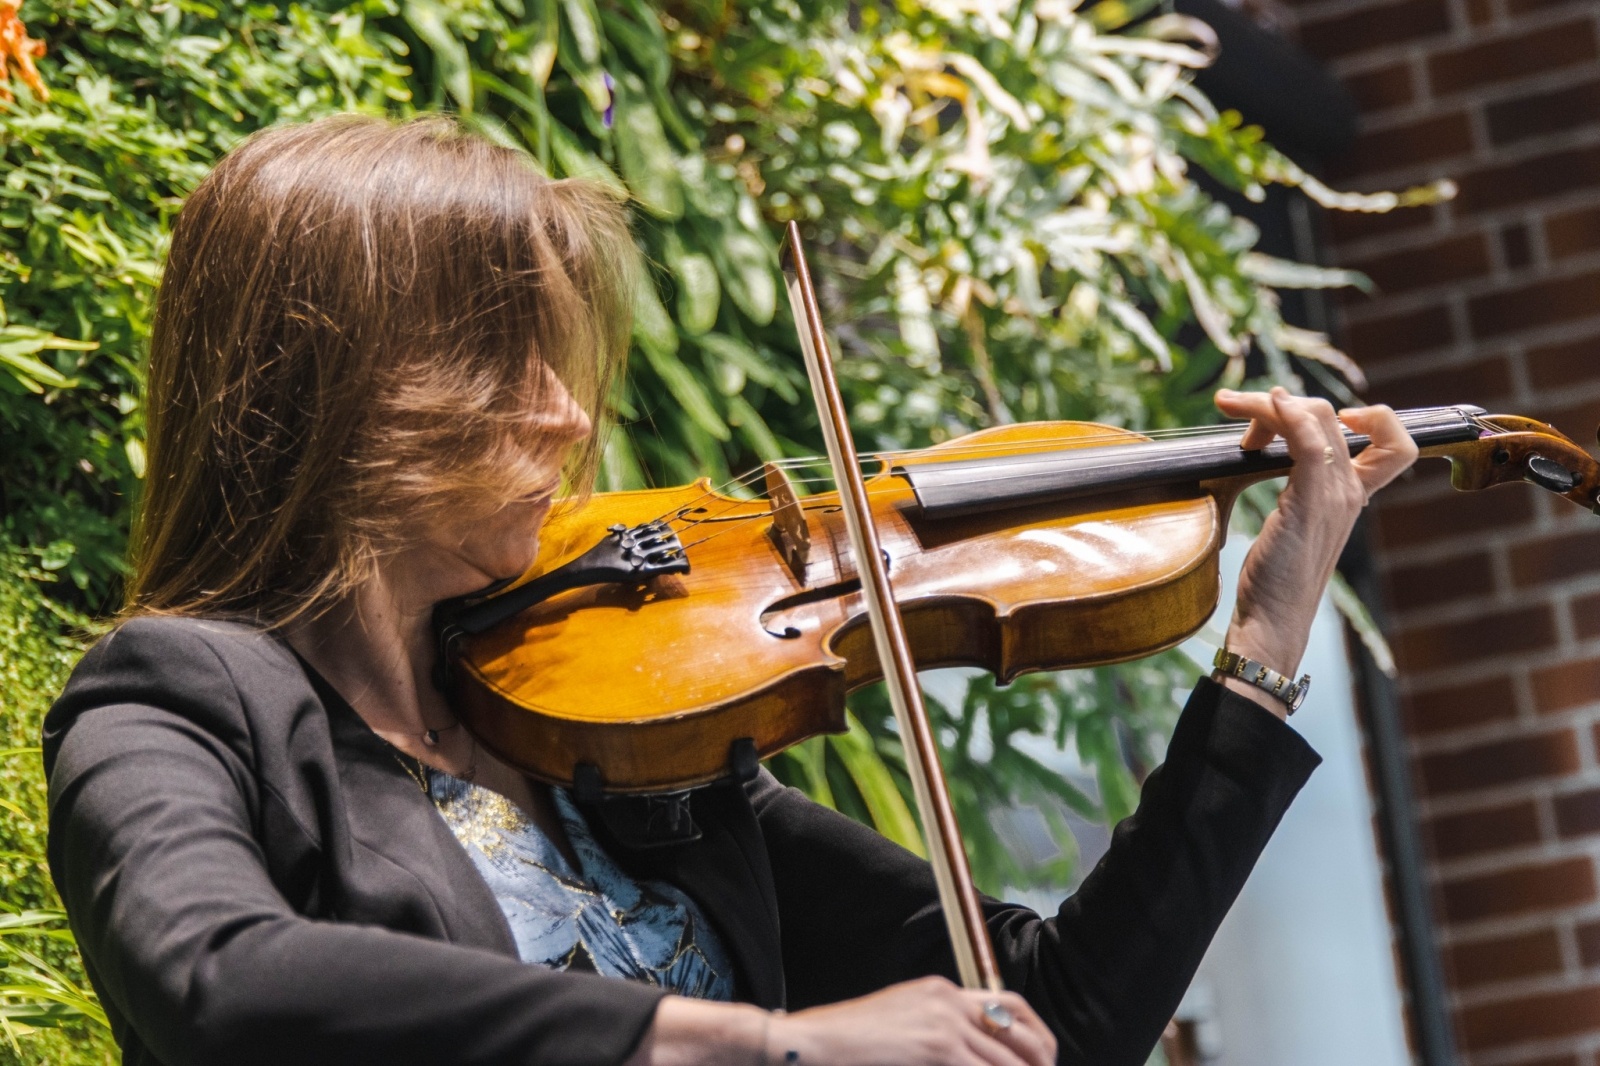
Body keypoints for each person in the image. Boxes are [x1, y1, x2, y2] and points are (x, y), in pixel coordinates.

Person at [42, 115, 1419, 1066]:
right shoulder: (177, 702)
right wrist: (763, 1041)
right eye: (506, 363)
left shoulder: (614, 731)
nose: (567, 415)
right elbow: (219, 979)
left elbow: (1055, 1016)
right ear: (347, 387)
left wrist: (1259, 643)